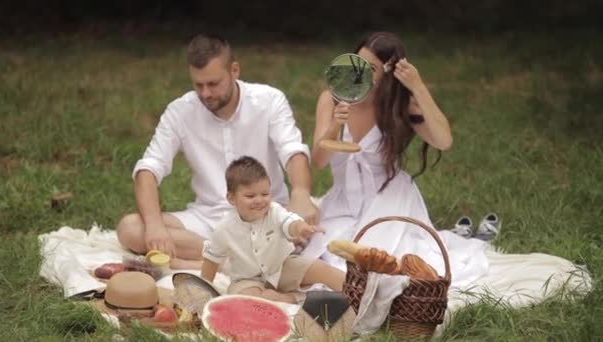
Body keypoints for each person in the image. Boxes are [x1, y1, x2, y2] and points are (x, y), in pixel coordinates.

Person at [301, 31, 490, 288]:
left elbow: (444, 140)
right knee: (321, 255)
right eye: (357, 62)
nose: (360, 73)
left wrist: (418, 88)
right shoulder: (332, 98)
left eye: (371, 69)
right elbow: (320, 161)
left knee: (378, 262)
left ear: (387, 75)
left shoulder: (397, 106)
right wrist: (335, 125)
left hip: (388, 198)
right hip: (344, 201)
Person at [116, 33, 318, 269]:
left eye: (213, 84)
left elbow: (293, 152)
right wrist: (154, 225)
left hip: (265, 215)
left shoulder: (269, 100)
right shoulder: (180, 111)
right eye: (198, 85)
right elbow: (148, 169)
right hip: (208, 217)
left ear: (234, 70)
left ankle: (209, 259)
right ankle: (232, 259)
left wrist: (301, 193)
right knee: (129, 229)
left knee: (294, 233)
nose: (205, 94)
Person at [201, 156, 345, 303]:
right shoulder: (224, 228)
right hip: (247, 280)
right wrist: (203, 289)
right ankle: (290, 298)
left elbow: (288, 221)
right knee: (247, 299)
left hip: (281, 267)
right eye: (250, 196)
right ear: (232, 198)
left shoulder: (274, 211)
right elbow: (212, 259)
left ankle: (357, 292)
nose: (259, 200)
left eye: (265, 194)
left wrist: (300, 228)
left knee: (320, 268)